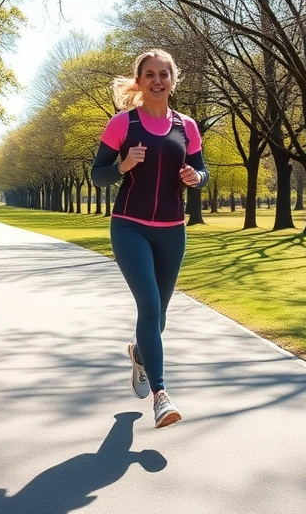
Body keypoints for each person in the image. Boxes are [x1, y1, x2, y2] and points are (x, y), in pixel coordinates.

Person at [91, 49, 209, 429]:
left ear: (173, 80)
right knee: (150, 307)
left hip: (172, 230)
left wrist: (196, 178)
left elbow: (202, 171)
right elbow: (98, 175)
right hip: (130, 226)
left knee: (159, 314)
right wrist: (123, 164)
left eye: (164, 74)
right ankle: (161, 395)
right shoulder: (122, 124)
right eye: (150, 74)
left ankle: (139, 354)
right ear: (139, 81)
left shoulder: (187, 126)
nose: (158, 80)